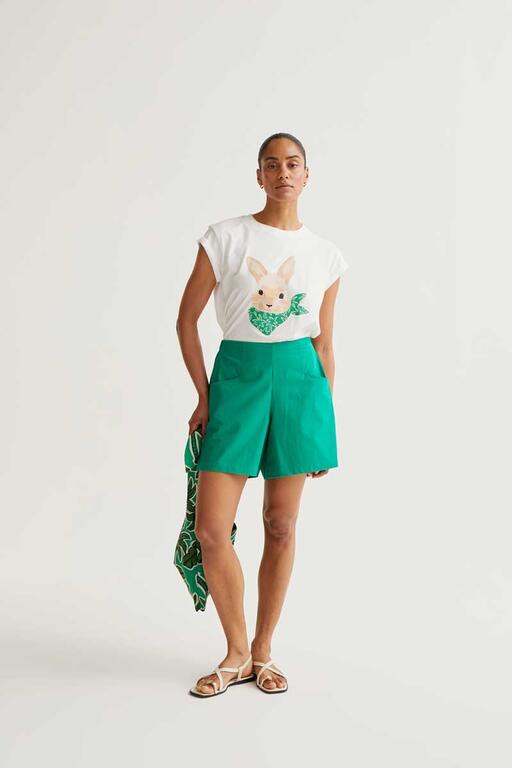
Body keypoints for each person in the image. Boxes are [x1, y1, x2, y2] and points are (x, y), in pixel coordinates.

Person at [176, 132, 348, 697]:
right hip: (237, 379)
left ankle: (264, 652)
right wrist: (204, 396)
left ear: (307, 174)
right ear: (259, 175)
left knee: (281, 524)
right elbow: (186, 320)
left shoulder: (326, 255)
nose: (283, 173)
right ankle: (236, 652)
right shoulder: (225, 237)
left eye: (292, 164)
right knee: (211, 528)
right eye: (271, 164)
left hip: (300, 385)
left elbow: (324, 343)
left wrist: (321, 423)